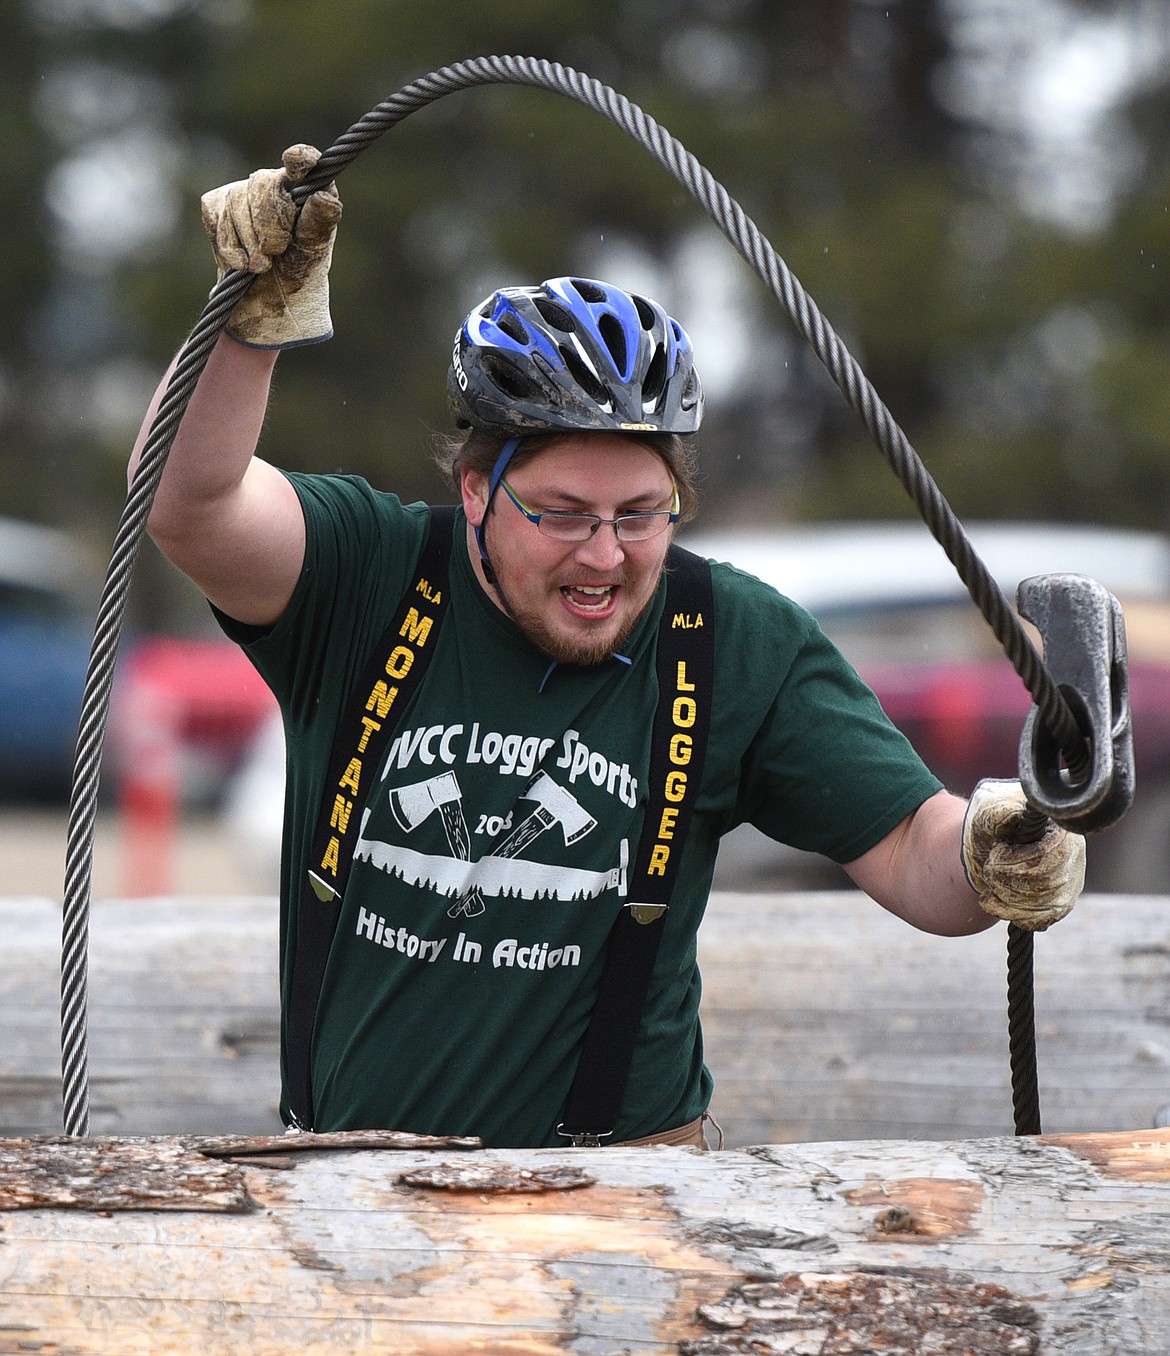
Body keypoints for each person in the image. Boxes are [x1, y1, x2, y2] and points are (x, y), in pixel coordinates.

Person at [132, 145, 1086, 1149]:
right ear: (473, 490)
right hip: (341, 1200)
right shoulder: (367, 573)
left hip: (630, 1220)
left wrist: (997, 848)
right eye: (561, 513)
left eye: (641, 513)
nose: (604, 556)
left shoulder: (734, 640)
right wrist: (251, 322)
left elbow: (908, 848)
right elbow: (186, 506)